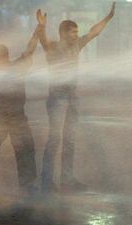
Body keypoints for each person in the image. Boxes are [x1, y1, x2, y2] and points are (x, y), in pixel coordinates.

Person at [37, 3, 116, 193]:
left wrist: (108, 17)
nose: (76, 35)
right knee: (55, 139)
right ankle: (47, 182)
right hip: (57, 99)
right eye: (73, 32)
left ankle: (67, 179)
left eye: (76, 32)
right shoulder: (53, 47)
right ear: (64, 33)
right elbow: (44, 41)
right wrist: (41, 27)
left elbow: (93, 33)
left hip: (72, 98)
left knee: (70, 140)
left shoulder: (77, 45)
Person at [0, 11, 43, 195]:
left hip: (11, 117)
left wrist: (39, 29)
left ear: (4, 56)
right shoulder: (3, 70)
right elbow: (29, 50)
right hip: (3, 118)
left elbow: (30, 49)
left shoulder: (11, 68)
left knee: (21, 150)